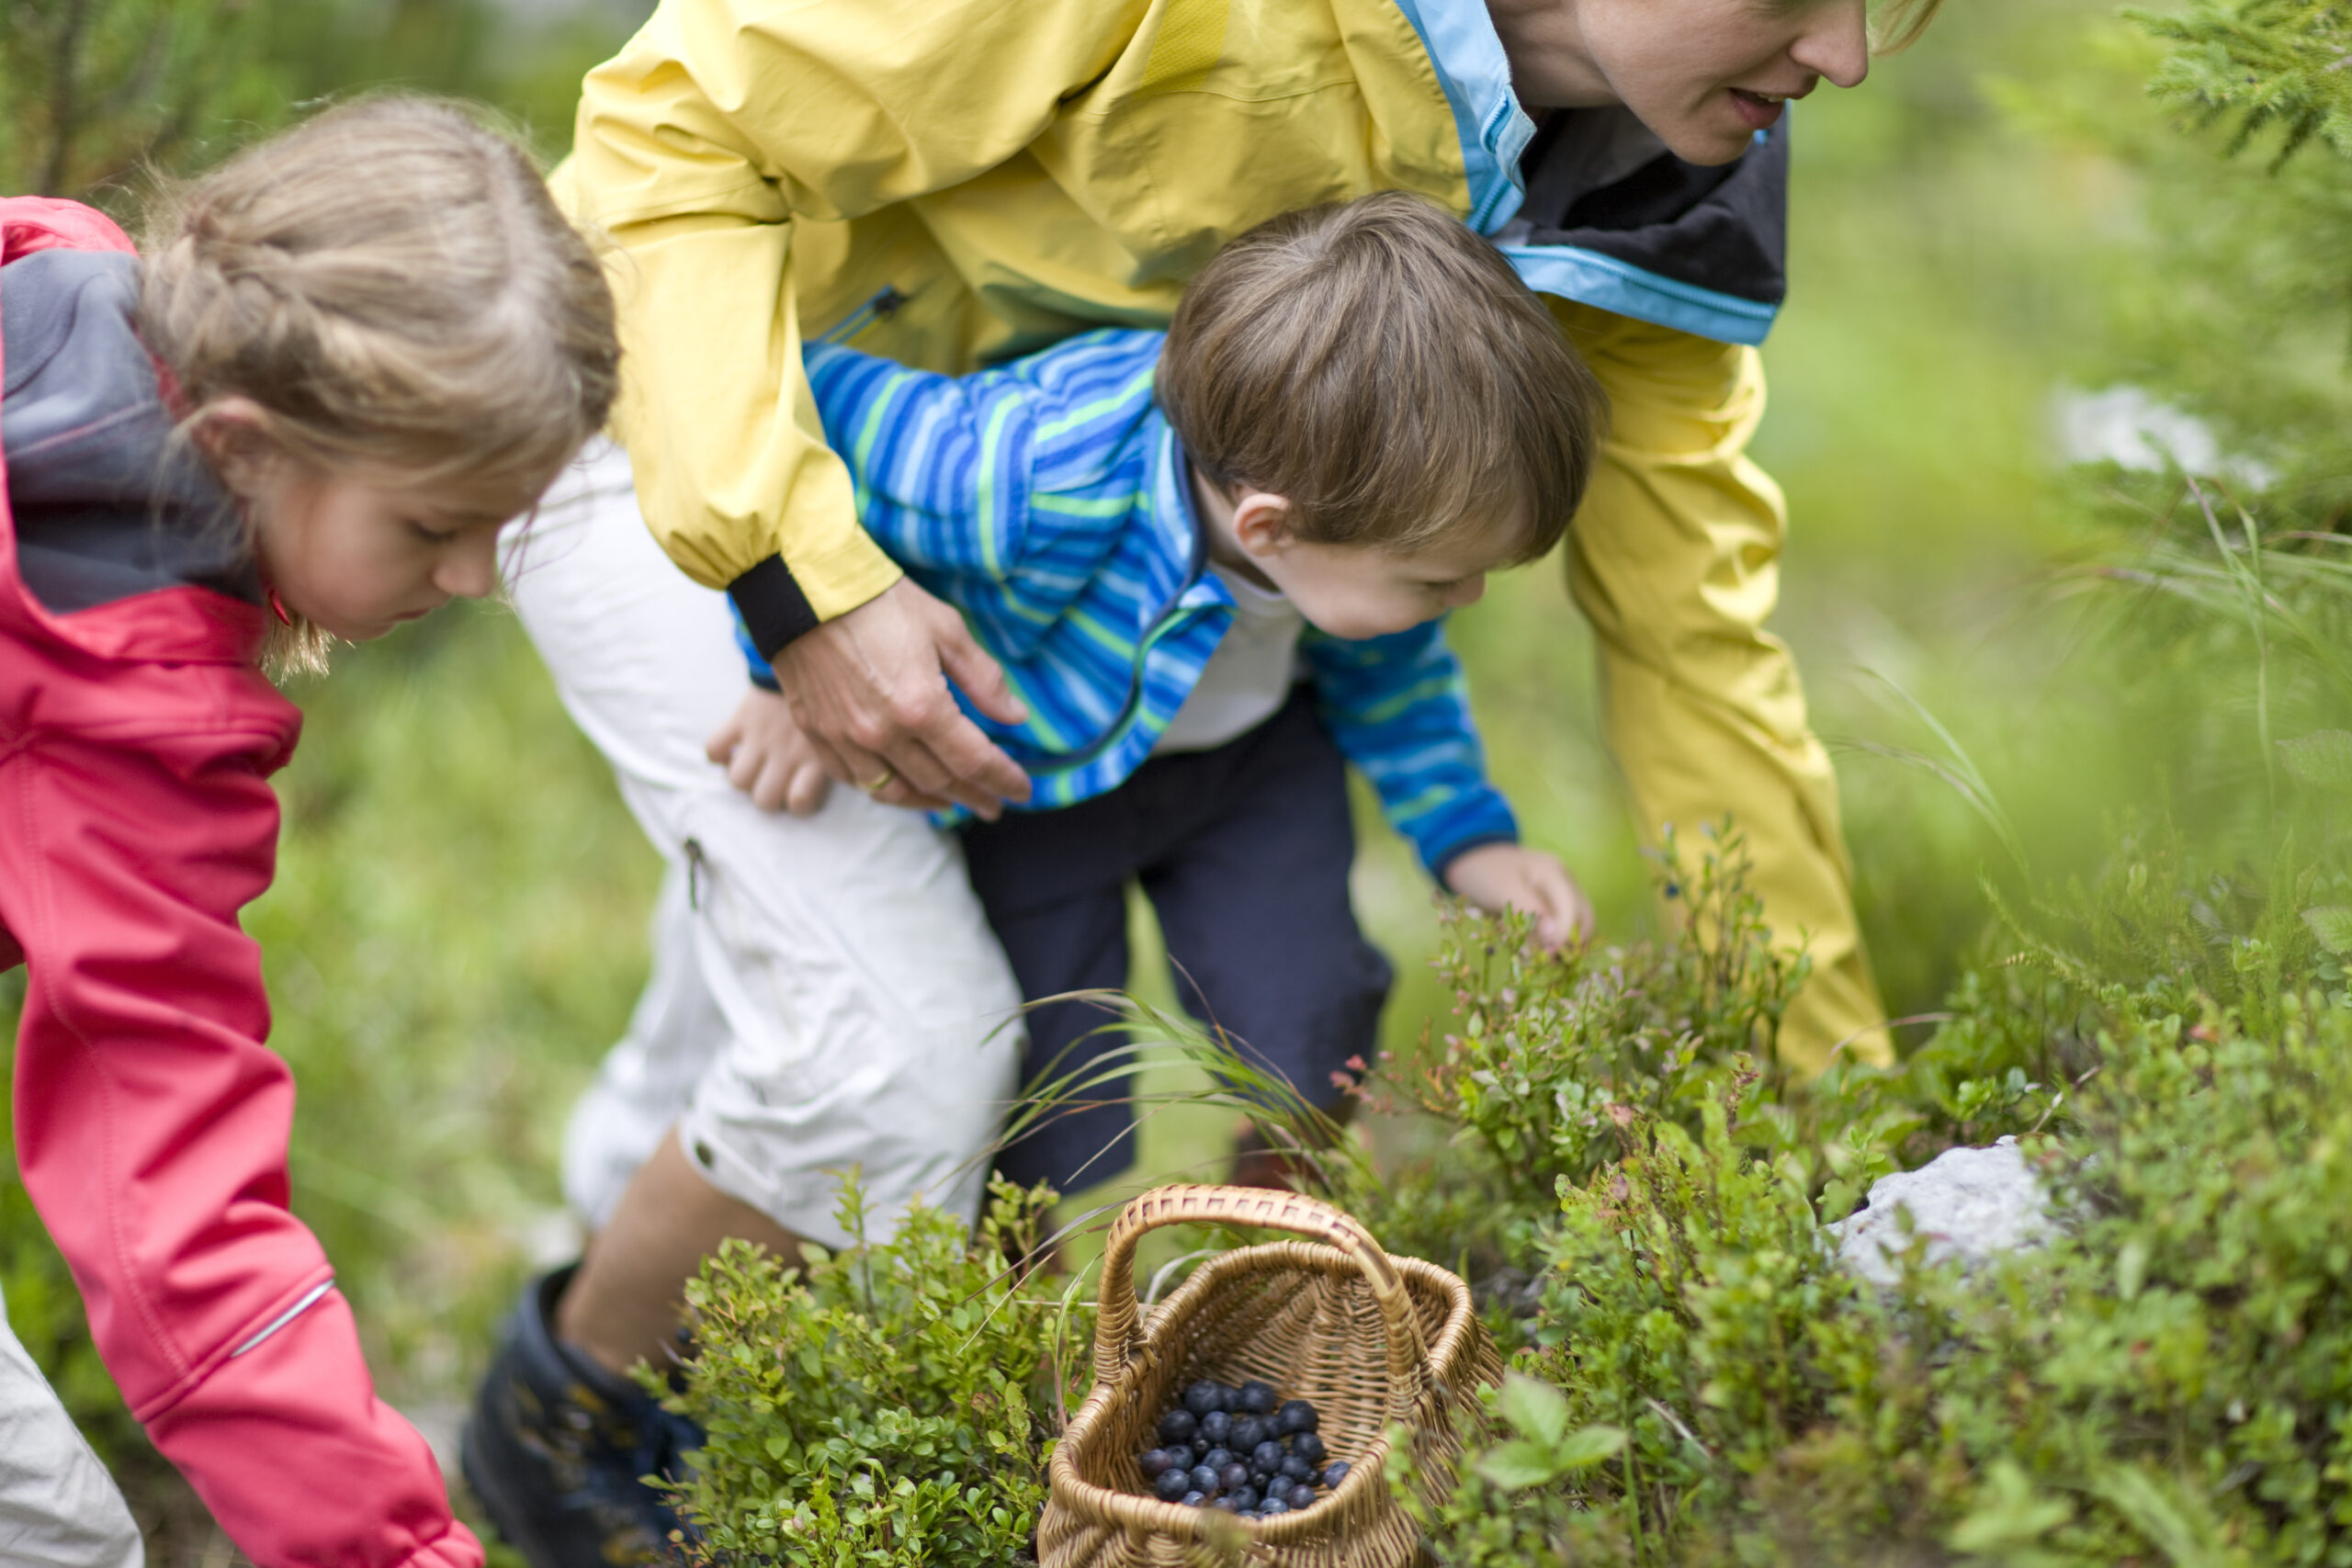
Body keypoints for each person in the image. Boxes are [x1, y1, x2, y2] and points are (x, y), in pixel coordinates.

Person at [468, 0, 1942, 1560]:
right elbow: (684, 152)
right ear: (1274, 517)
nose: (1846, 56)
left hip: (1066, 655)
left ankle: (1199, 1296)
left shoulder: (1658, 206)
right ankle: (569, 1416)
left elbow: (1648, 644)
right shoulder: (1034, 442)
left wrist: (1831, 1126)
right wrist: (796, 603)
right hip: (683, 417)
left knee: (835, 973)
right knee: (907, 1052)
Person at [0, 97, 618, 1568]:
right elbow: (179, 1220)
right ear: (240, 438)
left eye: (504, 525)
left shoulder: (50, 289)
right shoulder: (116, 677)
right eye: (430, 525)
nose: (473, 575)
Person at [722, 193, 1603, 1191]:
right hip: (1030, 783)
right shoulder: (1016, 476)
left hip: (1247, 763)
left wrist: (1468, 838)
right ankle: (1025, 1295)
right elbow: (804, 409)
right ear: (1267, 527)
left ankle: (1267, 1244)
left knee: (1312, 1018)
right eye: (1439, 581)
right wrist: (787, 644)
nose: (1468, 598)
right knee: (1042, 1071)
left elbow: (1393, 673)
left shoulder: (1354, 523)